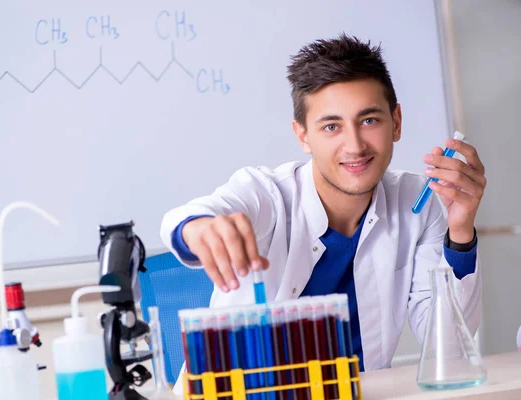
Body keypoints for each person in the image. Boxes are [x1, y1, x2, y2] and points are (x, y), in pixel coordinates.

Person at [160, 34, 485, 378]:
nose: (355, 145)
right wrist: (197, 227)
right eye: (332, 126)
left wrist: (461, 230)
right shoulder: (268, 194)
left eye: (369, 121)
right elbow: (185, 220)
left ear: (397, 122)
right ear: (303, 136)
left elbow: (447, 347)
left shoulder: (418, 204)